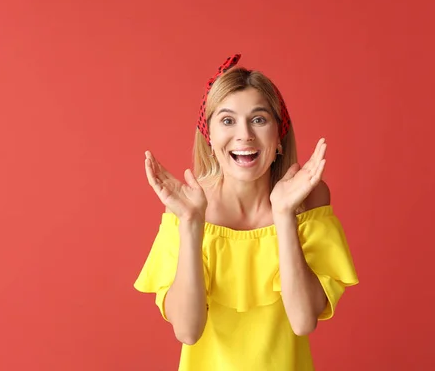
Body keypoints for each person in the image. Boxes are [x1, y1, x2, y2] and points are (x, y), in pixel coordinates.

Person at [134, 54, 359, 370]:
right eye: (228, 120)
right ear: (210, 138)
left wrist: (283, 214)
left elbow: (303, 320)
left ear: (279, 136)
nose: (245, 135)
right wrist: (190, 223)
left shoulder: (308, 200)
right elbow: (187, 330)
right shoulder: (188, 203)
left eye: (259, 119)